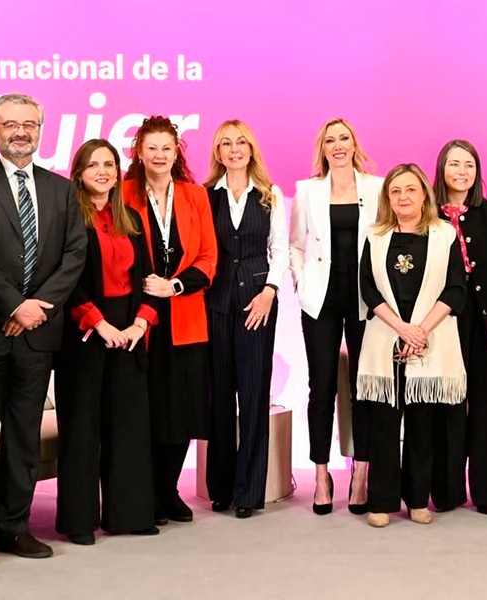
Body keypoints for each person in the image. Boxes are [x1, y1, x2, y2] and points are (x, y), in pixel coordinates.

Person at [0, 93, 86, 569]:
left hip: (37, 334)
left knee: (24, 435)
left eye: (30, 123)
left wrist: (36, 309)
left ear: (41, 130)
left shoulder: (61, 189)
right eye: (11, 123)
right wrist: (13, 304)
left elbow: (74, 255)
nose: (21, 131)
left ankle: (14, 527)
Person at [54, 139, 159, 545]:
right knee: (82, 429)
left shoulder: (130, 218)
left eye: (109, 165)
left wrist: (139, 324)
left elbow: (147, 279)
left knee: (128, 427)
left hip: (129, 332)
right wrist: (99, 324)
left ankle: (129, 514)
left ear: (118, 173)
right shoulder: (68, 218)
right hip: (84, 332)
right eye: (93, 165)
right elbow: (66, 282)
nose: (102, 171)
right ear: (79, 174)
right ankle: (80, 520)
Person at [357, 164, 467, 528]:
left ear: (424, 195)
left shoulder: (444, 234)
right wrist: (402, 328)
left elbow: (455, 288)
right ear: (387, 199)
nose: (403, 197)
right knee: (383, 427)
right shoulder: (375, 236)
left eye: (410, 190)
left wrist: (419, 331)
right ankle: (381, 502)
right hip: (387, 339)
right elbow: (368, 289)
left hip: (428, 341)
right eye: (395, 191)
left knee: (423, 427)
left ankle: (418, 499)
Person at [122, 116, 217, 525]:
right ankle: (145, 492)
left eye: (167, 148)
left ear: (177, 152)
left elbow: (209, 257)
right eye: (152, 148)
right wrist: (148, 289)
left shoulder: (195, 195)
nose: (160, 155)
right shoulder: (123, 192)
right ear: (139, 152)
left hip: (184, 314)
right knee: (145, 407)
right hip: (135, 316)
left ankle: (168, 489)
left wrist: (174, 286)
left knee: (181, 409)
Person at [289, 118, 382, 515]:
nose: (338, 145)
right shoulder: (306, 190)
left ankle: (360, 474)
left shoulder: (377, 187)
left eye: (344, 138)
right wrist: (300, 281)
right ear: (323, 148)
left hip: (366, 302)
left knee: (364, 387)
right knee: (322, 387)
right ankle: (321, 475)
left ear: (354, 144)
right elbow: (295, 245)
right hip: (320, 301)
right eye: (331, 140)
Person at [203, 120, 288, 519]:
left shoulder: (271, 195)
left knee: (254, 396)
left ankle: (249, 492)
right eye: (226, 143)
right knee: (219, 397)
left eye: (241, 142)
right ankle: (220, 487)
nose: (234, 149)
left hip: (259, 303)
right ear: (217, 152)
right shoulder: (205, 196)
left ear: (252, 149)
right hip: (216, 303)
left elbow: (279, 250)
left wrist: (269, 292)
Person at [430, 140, 487, 515]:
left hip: (486, 322)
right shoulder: (428, 213)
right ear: (441, 169)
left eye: (469, 165)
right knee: (446, 404)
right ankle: (446, 490)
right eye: (454, 164)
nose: (462, 171)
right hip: (442, 322)